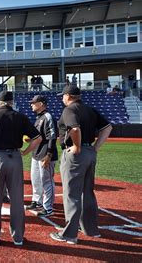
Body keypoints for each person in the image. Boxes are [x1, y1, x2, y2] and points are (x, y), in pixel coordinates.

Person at [0, 91, 42, 246]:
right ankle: (18, 237)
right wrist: (25, 151)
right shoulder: (20, 116)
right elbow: (38, 138)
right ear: (12, 102)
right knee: (17, 199)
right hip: (15, 158)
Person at [50, 85, 112, 244]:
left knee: (71, 194)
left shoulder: (69, 110)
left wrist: (76, 146)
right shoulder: (89, 109)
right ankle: (91, 230)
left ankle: (69, 234)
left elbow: (75, 128)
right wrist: (95, 147)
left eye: (63, 96)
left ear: (69, 96)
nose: (62, 98)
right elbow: (107, 128)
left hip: (75, 155)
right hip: (89, 153)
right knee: (87, 192)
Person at [25, 95, 58, 217]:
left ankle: (48, 207)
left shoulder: (48, 117)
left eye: (34, 102)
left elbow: (52, 137)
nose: (31, 104)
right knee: (35, 180)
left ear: (41, 103)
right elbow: (40, 137)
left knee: (47, 182)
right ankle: (36, 201)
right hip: (37, 154)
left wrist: (49, 155)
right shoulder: (39, 118)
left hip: (45, 155)